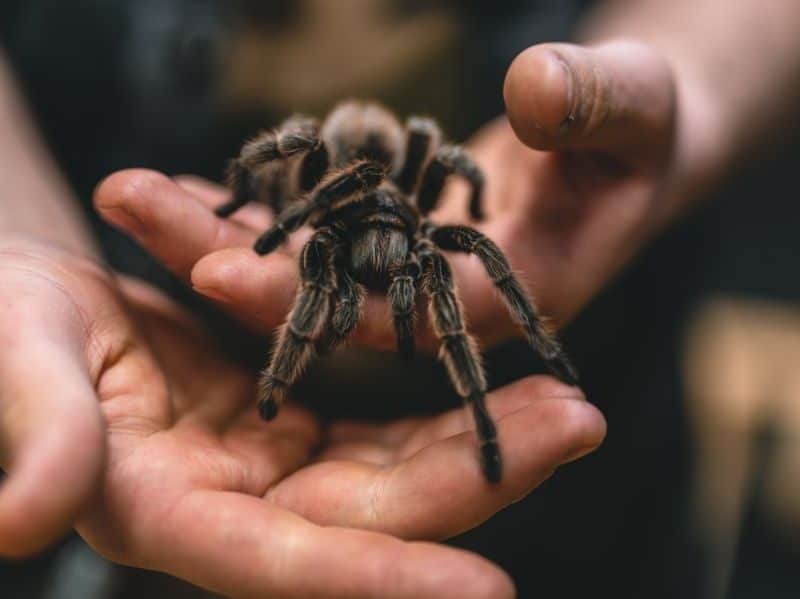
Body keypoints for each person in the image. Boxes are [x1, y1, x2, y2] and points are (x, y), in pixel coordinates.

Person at [1, 1, 800, 597]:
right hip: (168, 396)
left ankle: (497, 406)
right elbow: (308, 198)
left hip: (605, 498)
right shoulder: (326, 200)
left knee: (475, 263)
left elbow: (462, 191)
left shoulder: (420, 222)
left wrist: (691, 91)